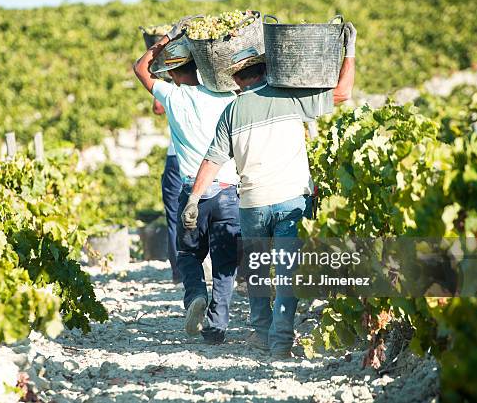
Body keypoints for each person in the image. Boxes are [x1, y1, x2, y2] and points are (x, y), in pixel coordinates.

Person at [181, 23, 357, 357]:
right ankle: (280, 341)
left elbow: (212, 160)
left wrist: (192, 198)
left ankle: (262, 334)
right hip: (292, 199)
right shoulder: (291, 96)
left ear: (235, 80)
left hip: (253, 205)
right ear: (267, 70)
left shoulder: (231, 111)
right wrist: (349, 50)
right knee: (288, 273)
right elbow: (344, 92)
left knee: (258, 274)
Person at [133, 18, 240, 344]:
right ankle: (216, 328)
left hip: (190, 191)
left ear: (174, 74)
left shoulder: (173, 98)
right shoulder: (226, 98)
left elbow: (141, 69)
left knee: (189, 255)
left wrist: (168, 37)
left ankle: (195, 294)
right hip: (226, 192)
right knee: (224, 263)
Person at [152, 98, 183, 284]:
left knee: (174, 217)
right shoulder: (215, 80)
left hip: (177, 156)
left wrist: (160, 75)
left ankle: (180, 274)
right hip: (211, 155)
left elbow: (157, 107)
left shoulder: (176, 83)